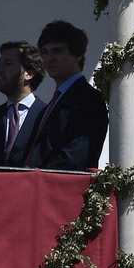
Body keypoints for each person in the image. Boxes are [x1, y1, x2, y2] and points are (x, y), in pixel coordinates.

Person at [18, 21, 108, 170]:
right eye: (45, 52)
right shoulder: (50, 106)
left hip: (60, 189)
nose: (49, 58)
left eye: (57, 51)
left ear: (78, 55)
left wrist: (35, 180)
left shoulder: (88, 99)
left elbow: (75, 157)